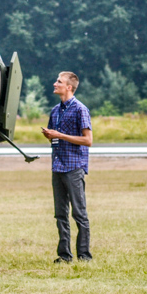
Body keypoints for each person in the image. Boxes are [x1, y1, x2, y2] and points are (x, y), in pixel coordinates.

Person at [41, 71, 92, 263]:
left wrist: (60, 135)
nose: (55, 84)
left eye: (59, 82)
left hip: (74, 167)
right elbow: (55, 137)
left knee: (79, 213)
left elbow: (88, 140)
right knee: (60, 214)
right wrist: (51, 136)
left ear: (69, 87)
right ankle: (64, 256)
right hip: (57, 166)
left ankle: (84, 255)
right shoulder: (55, 111)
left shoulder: (80, 109)